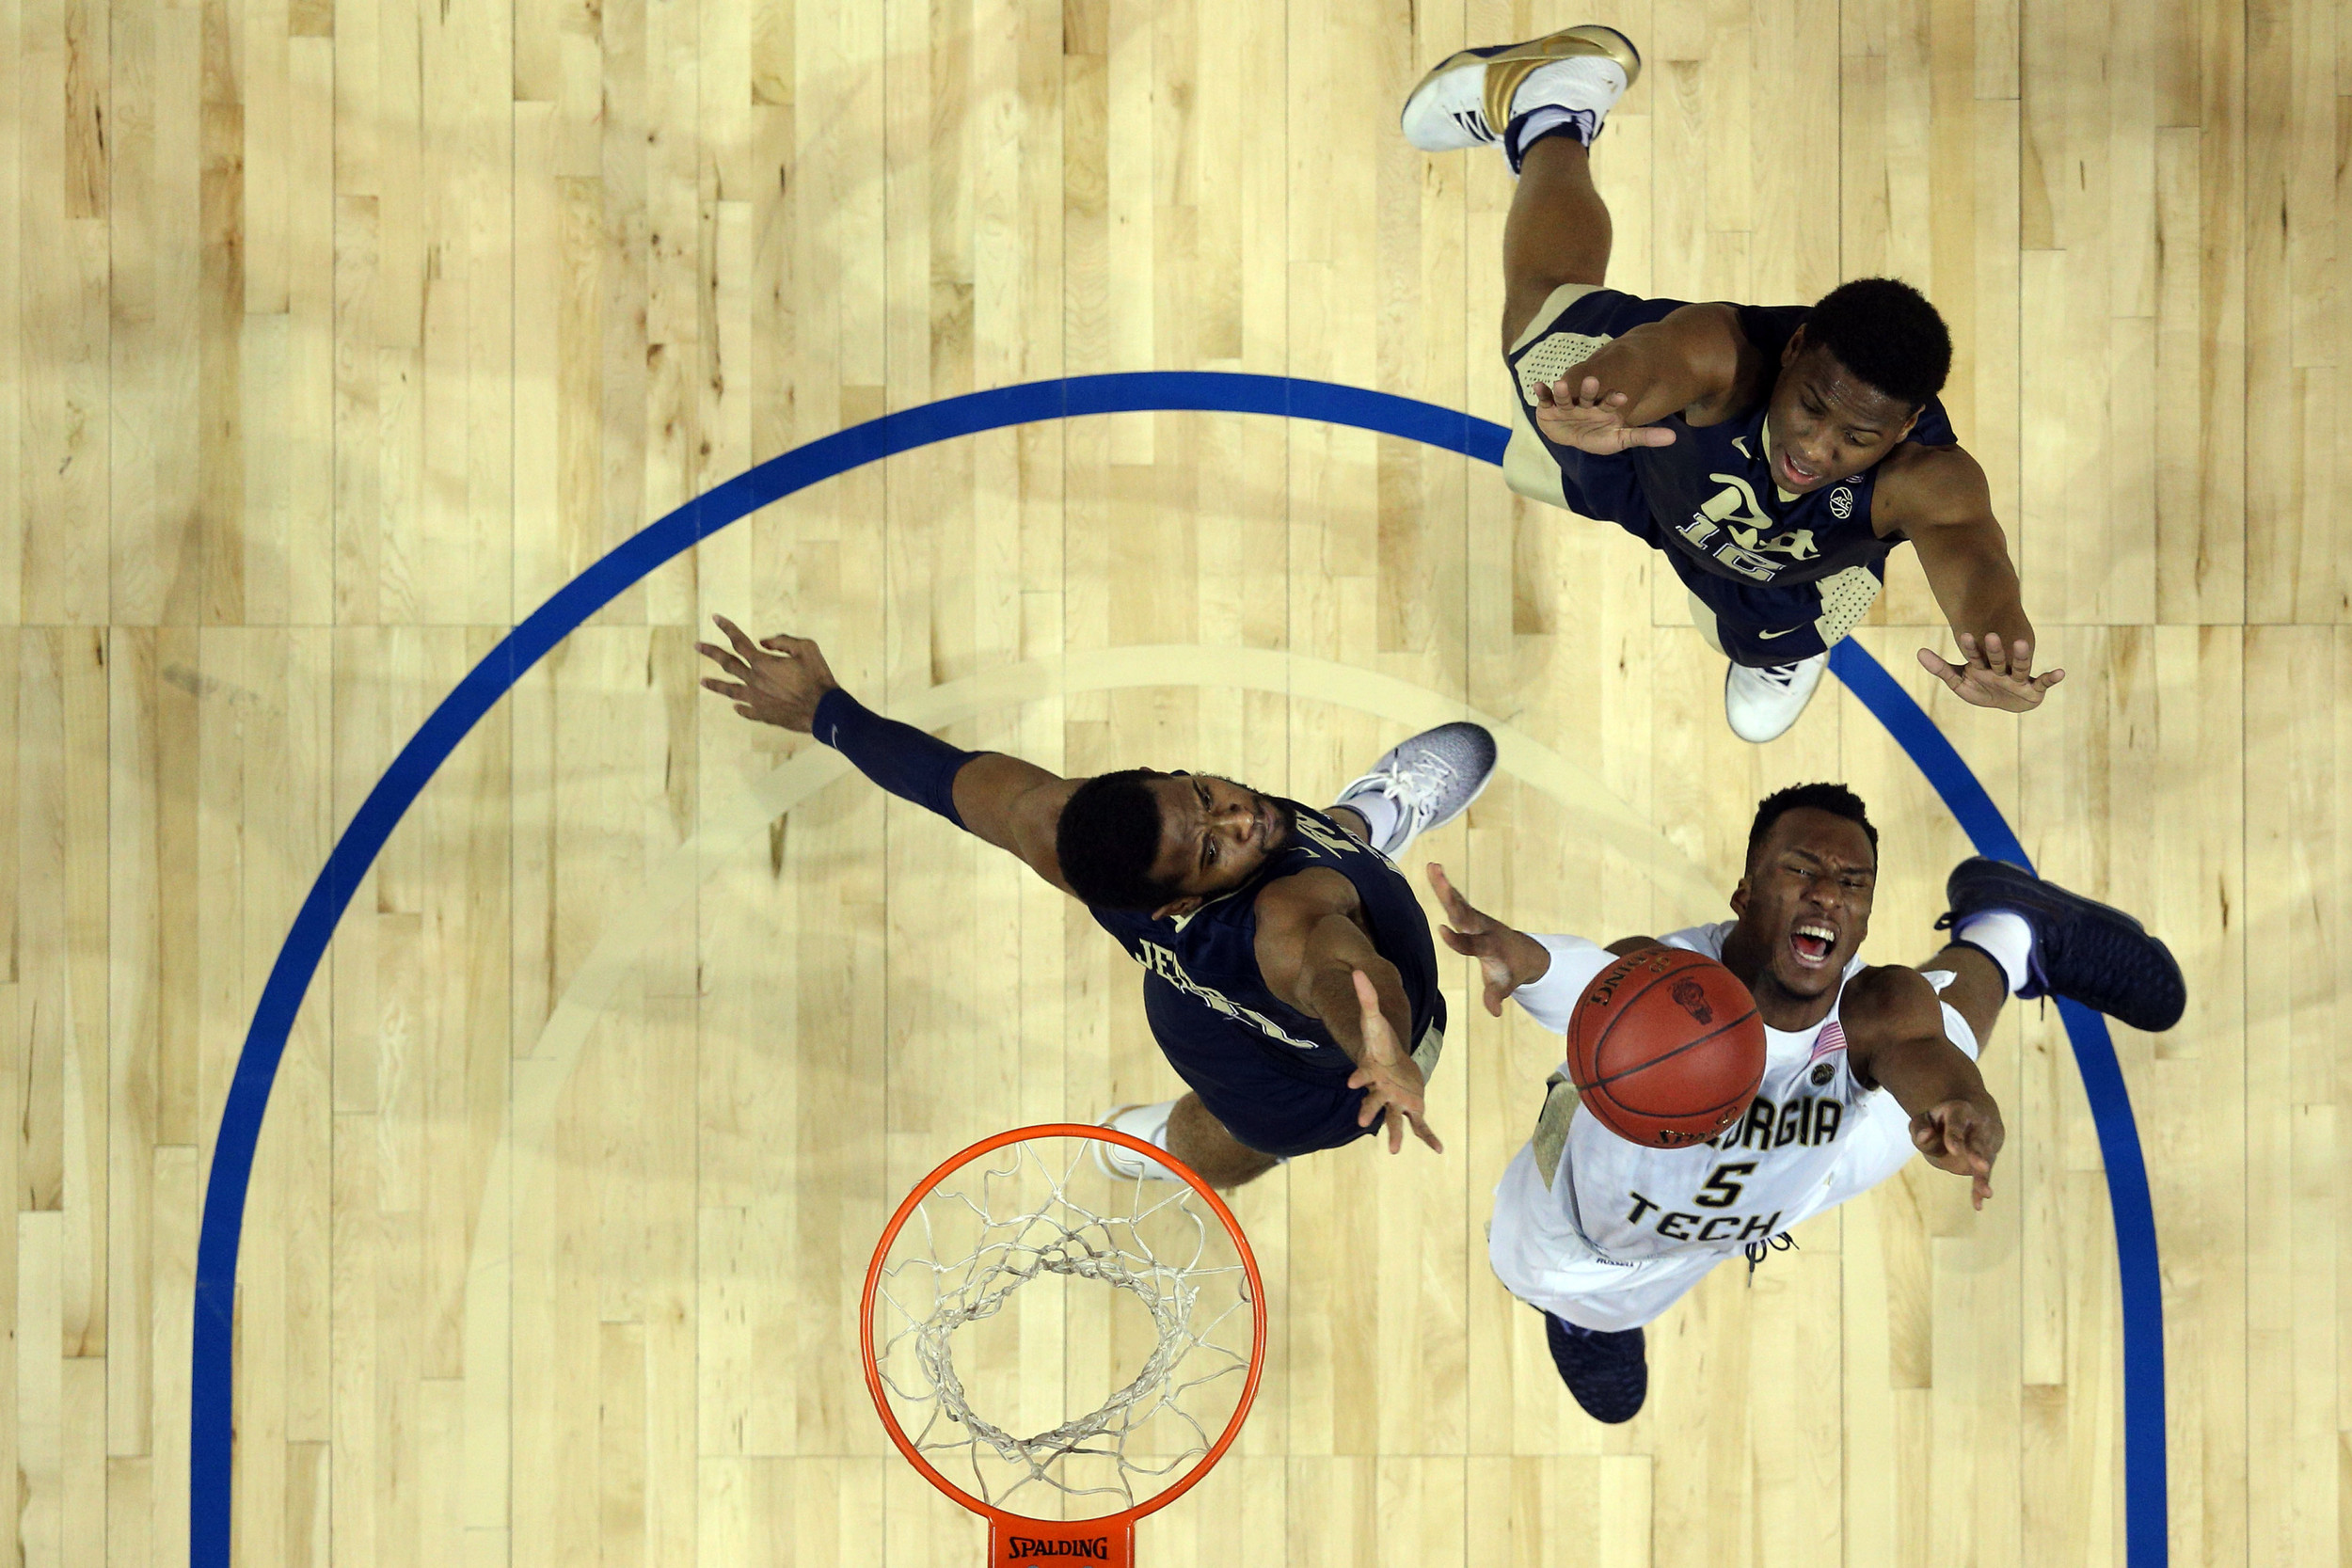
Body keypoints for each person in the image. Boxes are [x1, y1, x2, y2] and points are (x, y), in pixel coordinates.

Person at [1426, 783, 2183, 1420]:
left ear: (1864, 915)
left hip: (1807, 1165)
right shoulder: (1664, 978)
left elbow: (1935, 1066)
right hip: (1611, 1234)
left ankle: (2013, 928)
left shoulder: (1879, 1004)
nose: (1828, 892)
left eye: (1853, 883)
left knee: (1945, 1027)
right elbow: (1589, 977)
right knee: (1550, 1274)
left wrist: (1966, 1110)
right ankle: (1590, 1321)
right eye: (1803, 869)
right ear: (1746, 894)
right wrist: (1526, 962)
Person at [1401, 27, 2064, 741]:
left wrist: (1999, 643)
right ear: (1797, 347)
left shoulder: (1928, 479)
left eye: (1857, 439)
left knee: (1779, 626)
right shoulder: (1727, 350)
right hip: (1639, 459)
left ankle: (1776, 651)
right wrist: (1598, 392)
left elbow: (1977, 562)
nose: (1814, 446)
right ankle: (1550, 109)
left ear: (1903, 431)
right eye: (1811, 408)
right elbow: (1655, 360)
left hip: (1780, 578)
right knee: (1537, 325)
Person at [694, 615, 1498, 1188]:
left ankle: (1357, 821)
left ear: (1161, 773)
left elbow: (939, 778)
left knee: (1305, 838)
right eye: (1213, 847)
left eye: (1206, 794)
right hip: (1317, 1077)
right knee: (1233, 1136)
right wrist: (1380, 1040)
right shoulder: (1283, 924)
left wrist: (824, 712)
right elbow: (1339, 966)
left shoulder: (1064, 830)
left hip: (1201, 982)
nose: (1239, 815)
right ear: (1175, 903)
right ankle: (1157, 1145)